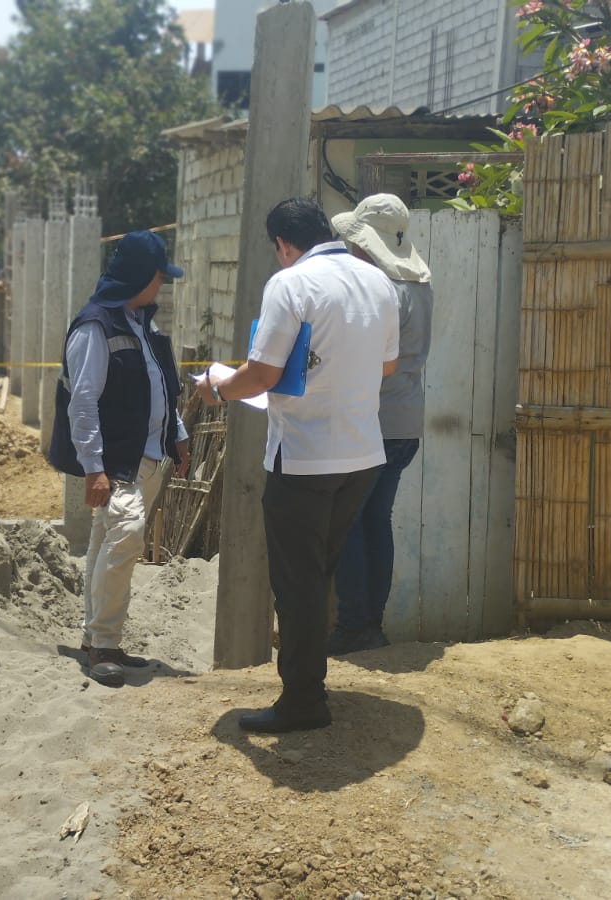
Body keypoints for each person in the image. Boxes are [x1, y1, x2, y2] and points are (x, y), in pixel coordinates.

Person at [200, 198, 398, 733]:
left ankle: (304, 699)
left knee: (297, 584)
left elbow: (261, 375)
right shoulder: (379, 281)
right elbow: (387, 365)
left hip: (306, 458)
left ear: (283, 244)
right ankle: (310, 685)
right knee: (317, 575)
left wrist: (217, 388)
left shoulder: (290, 284)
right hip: (362, 456)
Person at [47, 230, 191, 687]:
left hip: (146, 455)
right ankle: (105, 645)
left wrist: (177, 434)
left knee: (105, 539)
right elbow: (83, 403)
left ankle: (96, 638)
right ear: (139, 277)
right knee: (127, 534)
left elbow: (159, 385)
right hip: (116, 460)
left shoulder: (140, 322)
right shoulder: (95, 327)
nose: (162, 284)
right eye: (158, 276)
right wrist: (94, 468)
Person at [328, 195, 434, 655]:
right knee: (376, 520)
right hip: (406, 420)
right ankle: (371, 623)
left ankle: (355, 625)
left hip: (372, 420)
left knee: (348, 522)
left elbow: (364, 358)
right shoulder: (420, 284)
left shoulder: (380, 289)